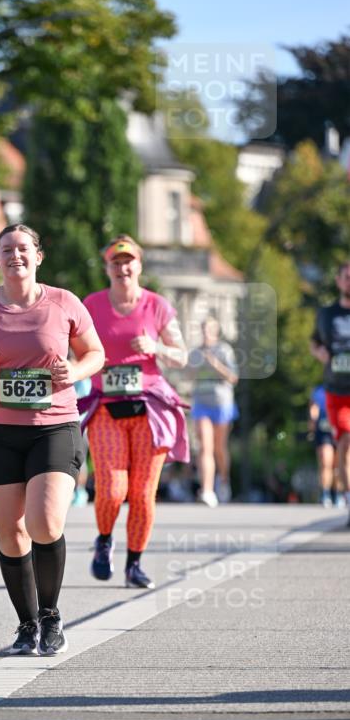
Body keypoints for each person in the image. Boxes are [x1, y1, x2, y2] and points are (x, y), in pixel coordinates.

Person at [0, 224, 104, 655]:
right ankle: (27, 624)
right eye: (7, 249)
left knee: (44, 524)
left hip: (55, 426)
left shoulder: (65, 302)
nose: (16, 255)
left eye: (23, 248)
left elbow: (95, 354)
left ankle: (51, 615)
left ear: (38, 256)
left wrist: (77, 371)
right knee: (12, 536)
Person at [81, 235, 189, 588]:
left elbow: (182, 355)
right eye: (115, 262)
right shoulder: (92, 305)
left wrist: (156, 347)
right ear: (107, 267)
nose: (123, 268)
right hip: (106, 406)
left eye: (128, 261)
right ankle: (104, 539)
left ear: (139, 265)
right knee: (112, 489)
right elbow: (74, 350)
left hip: (149, 407)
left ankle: (135, 563)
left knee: (143, 493)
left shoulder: (157, 306)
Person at [310, 261, 350, 526]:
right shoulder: (327, 314)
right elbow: (315, 340)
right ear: (338, 281)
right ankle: (348, 497)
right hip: (337, 391)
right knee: (345, 443)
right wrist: (319, 352)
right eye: (347, 277)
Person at [188, 315, 239, 506]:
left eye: (209, 329)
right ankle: (207, 490)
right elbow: (189, 376)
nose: (205, 333)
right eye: (203, 329)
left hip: (221, 403)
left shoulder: (224, 350)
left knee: (219, 447)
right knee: (205, 446)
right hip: (201, 402)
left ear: (216, 331)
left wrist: (215, 365)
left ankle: (224, 479)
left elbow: (233, 377)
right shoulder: (195, 353)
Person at [308, 384, 341, 507]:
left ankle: (339, 494)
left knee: (338, 466)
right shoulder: (318, 390)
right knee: (326, 463)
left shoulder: (344, 387)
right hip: (324, 431)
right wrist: (312, 424)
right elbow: (313, 408)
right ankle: (325, 494)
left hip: (340, 429)